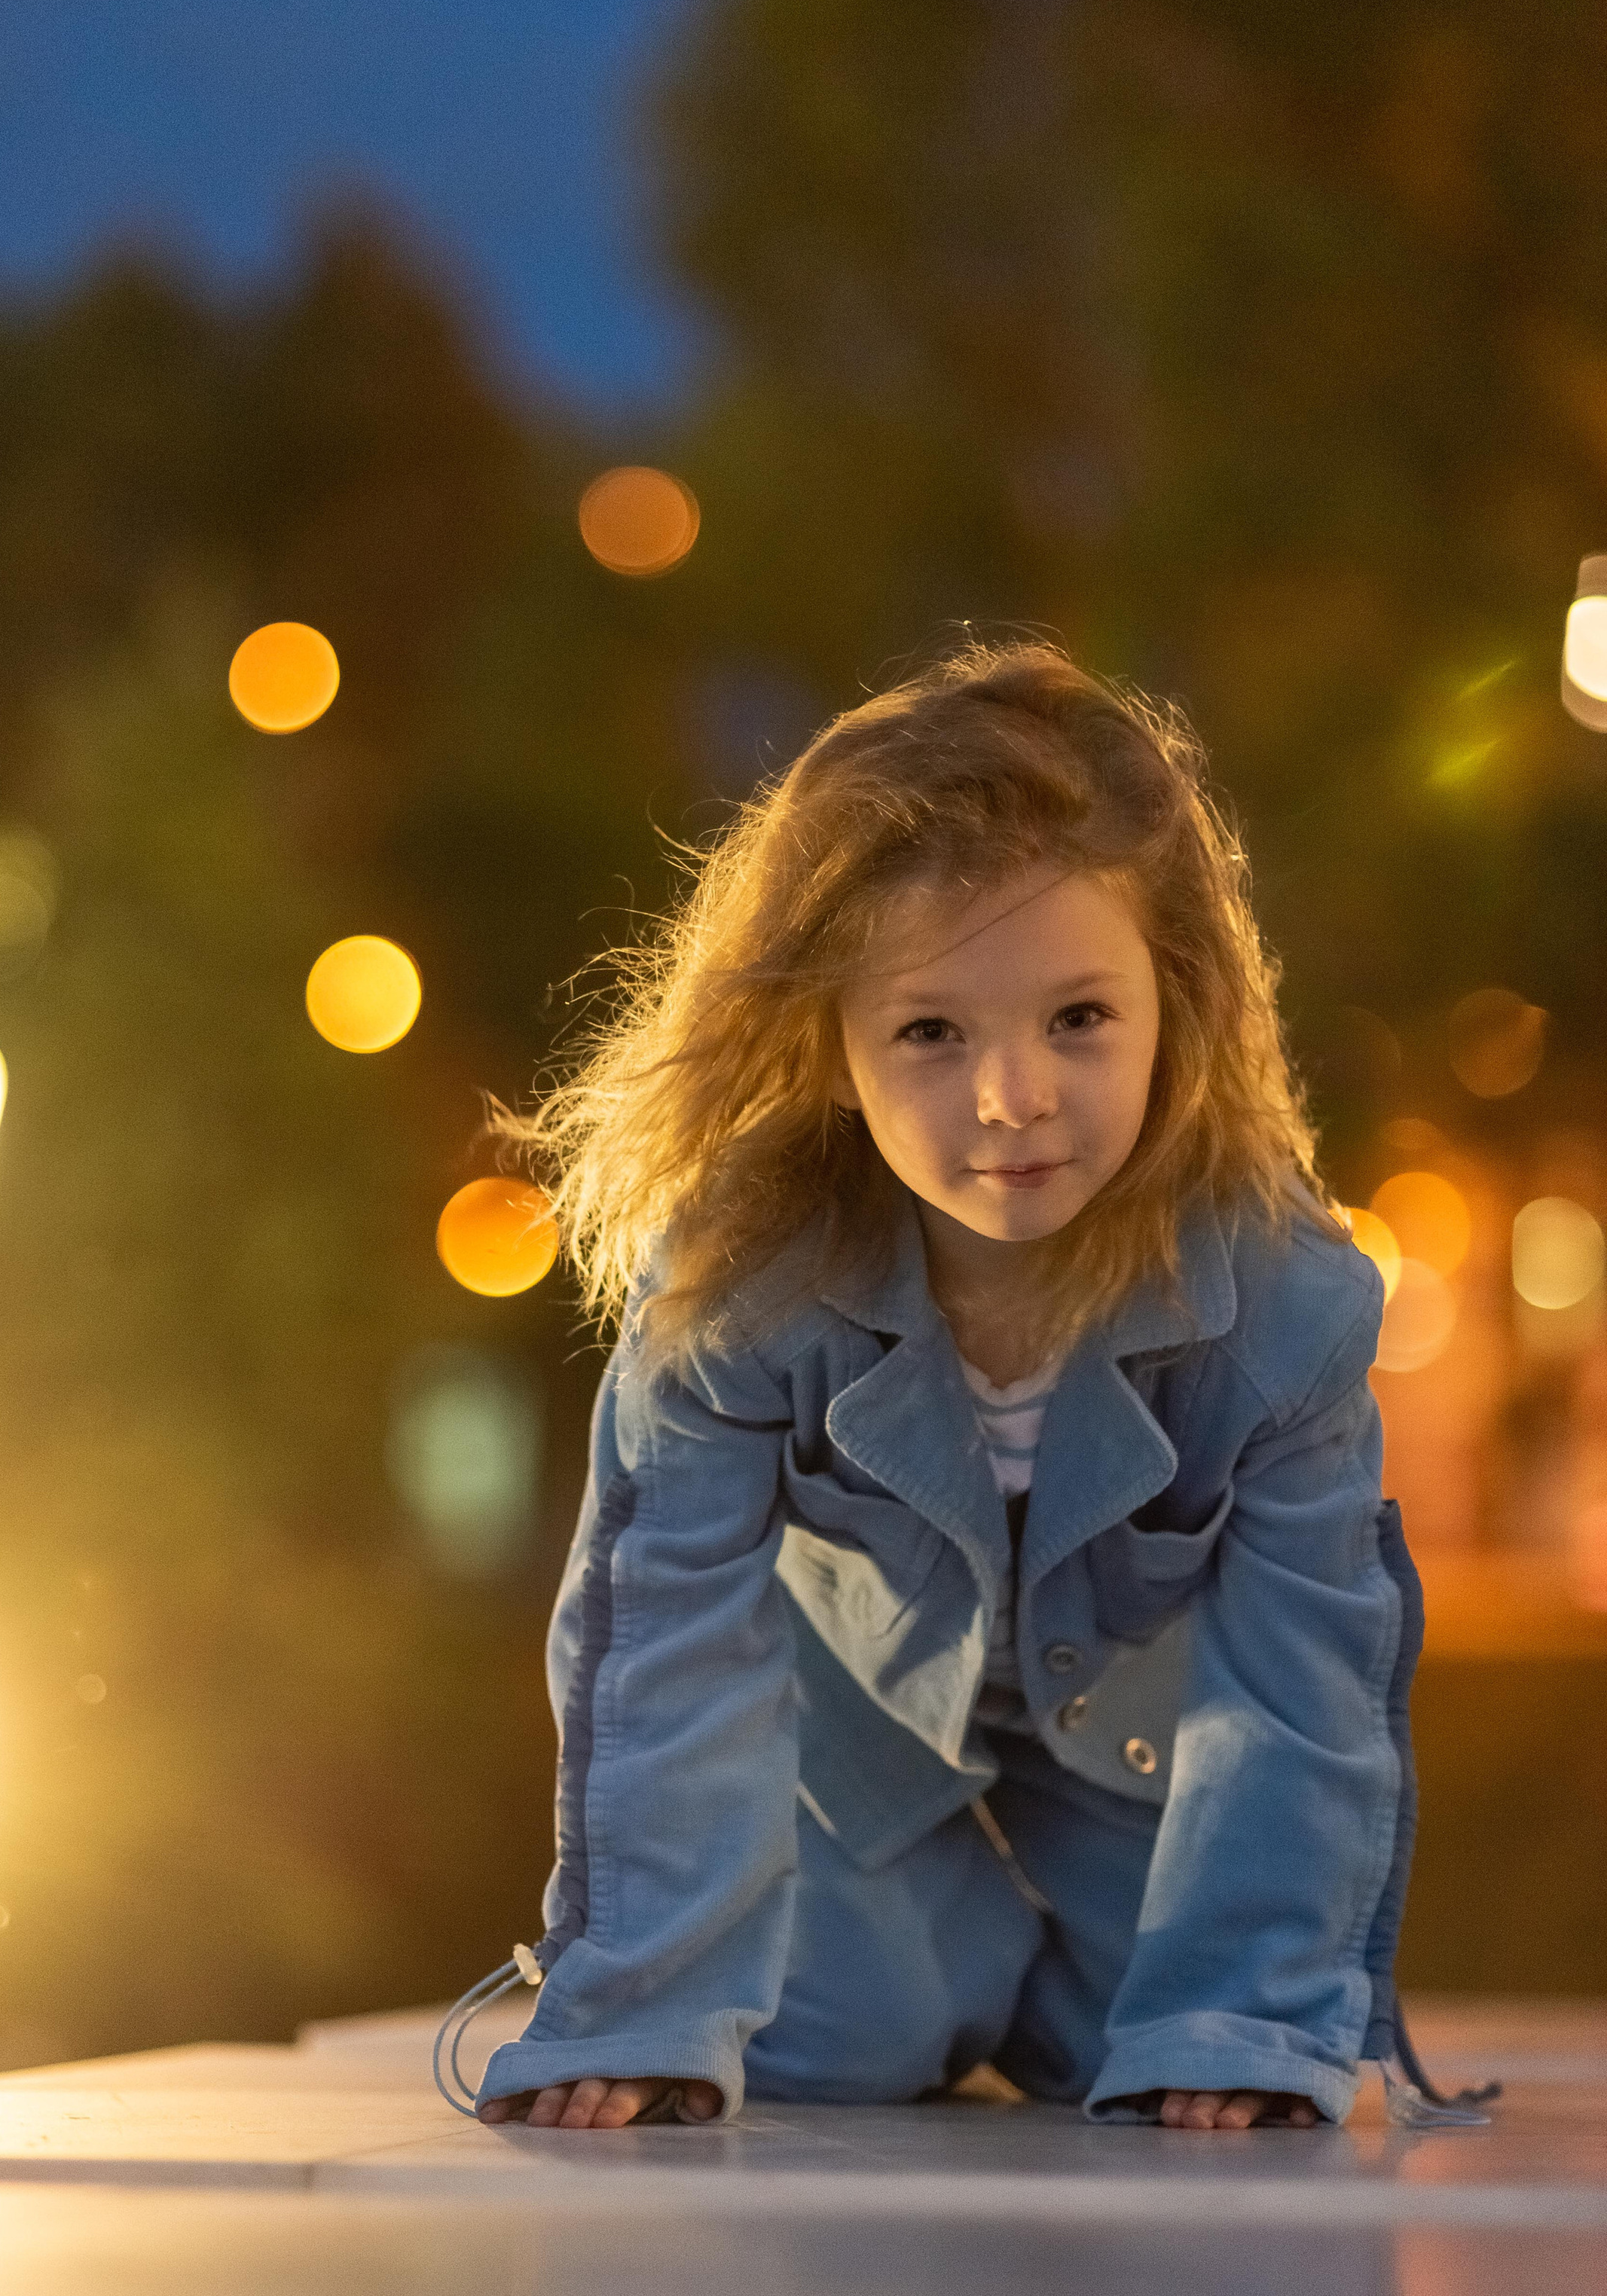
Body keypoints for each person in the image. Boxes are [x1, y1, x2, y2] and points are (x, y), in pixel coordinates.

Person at [470, 640, 1425, 2136]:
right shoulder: (741, 1287)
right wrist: (643, 2002)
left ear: (1170, 999)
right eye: (929, 1031)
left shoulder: (1281, 1303)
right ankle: (941, 1958)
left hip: (1127, 1762)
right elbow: (661, 1646)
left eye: (1076, 1019)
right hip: (843, 1753)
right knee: (836, 2037)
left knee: (1172, 2041)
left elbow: (1299, 1688)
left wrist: (1244, 2010)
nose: (1010, 1099)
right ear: (829, 1045)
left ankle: (1072, 1977)